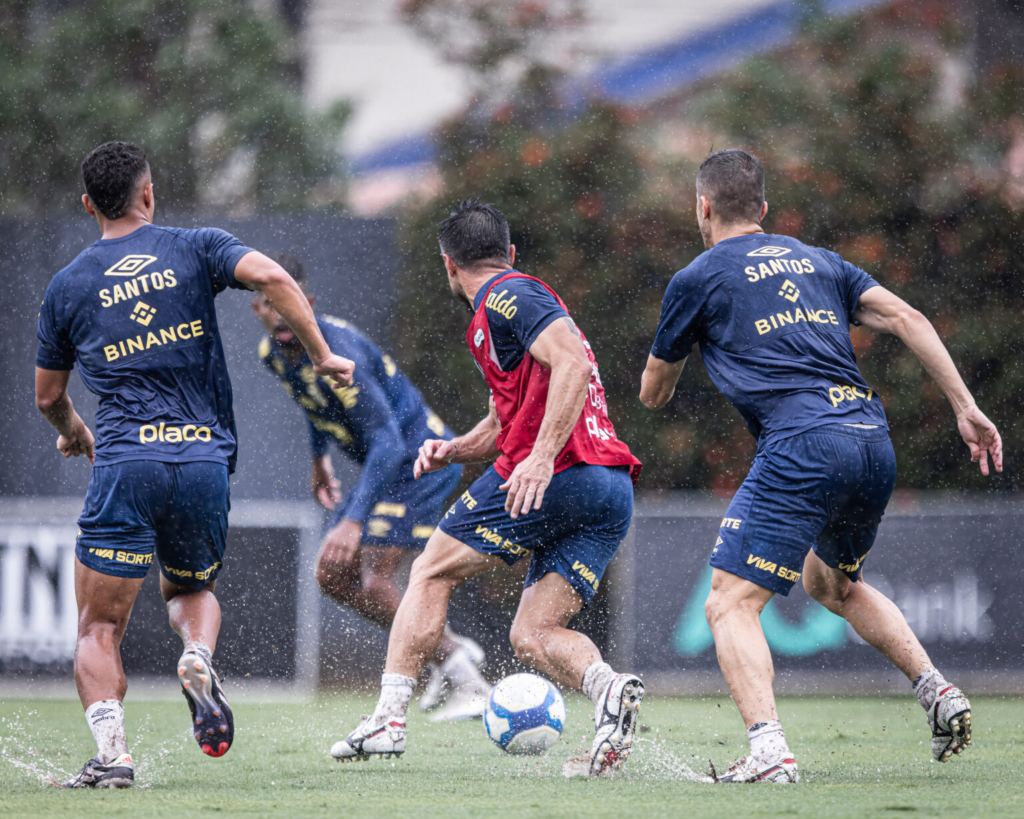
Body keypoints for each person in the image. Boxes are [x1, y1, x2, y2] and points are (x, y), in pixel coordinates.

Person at [640, 149, 1002, 784]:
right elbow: (908, 318)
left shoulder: (696, 278)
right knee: (833, 585)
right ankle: (938, 693)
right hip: (868, 436)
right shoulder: (820, 261)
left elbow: (653, 392)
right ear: (765, 209)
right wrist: (966, 407)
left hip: (804, 443)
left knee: (728, 604)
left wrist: (684, 357)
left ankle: (769, 751)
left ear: (702, 206)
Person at [34, 141, 355, 789]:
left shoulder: (68, 284)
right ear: (148, 194)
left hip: (127, 461)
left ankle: (113, 756)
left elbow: (47, 395)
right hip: (202, 457)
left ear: (88, 204)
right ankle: (199, 655)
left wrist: (73, 431)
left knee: (98, 625)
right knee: (189, 589)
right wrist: (320, 352)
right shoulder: (196, 246)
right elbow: (274, 279)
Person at [330, 200, 644, 777]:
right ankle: (609, 691)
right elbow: (507, 422)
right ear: (509, 250)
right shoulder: (498, 318)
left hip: (563, 471)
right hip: (608, 487)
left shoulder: (509, 295)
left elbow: (572, 364)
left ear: (448, 265)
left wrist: (542, 458)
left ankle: (388, 719)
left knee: (428, 570)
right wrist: (454, 448)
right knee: (533, 634)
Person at [251, 253, 489, 722]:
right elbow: (312, 402)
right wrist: (319, 458)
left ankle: (467, 679)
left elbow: (387, 442)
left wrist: (354, 521)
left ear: (308, 303)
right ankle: (449, 651)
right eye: (266, 303)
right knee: (331, 575)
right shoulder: (274, 355)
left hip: (422, 461)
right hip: (391, 466)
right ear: (255, 308)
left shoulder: (344, 355)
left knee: (375, 578)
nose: (277, 312)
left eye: (287, 302)